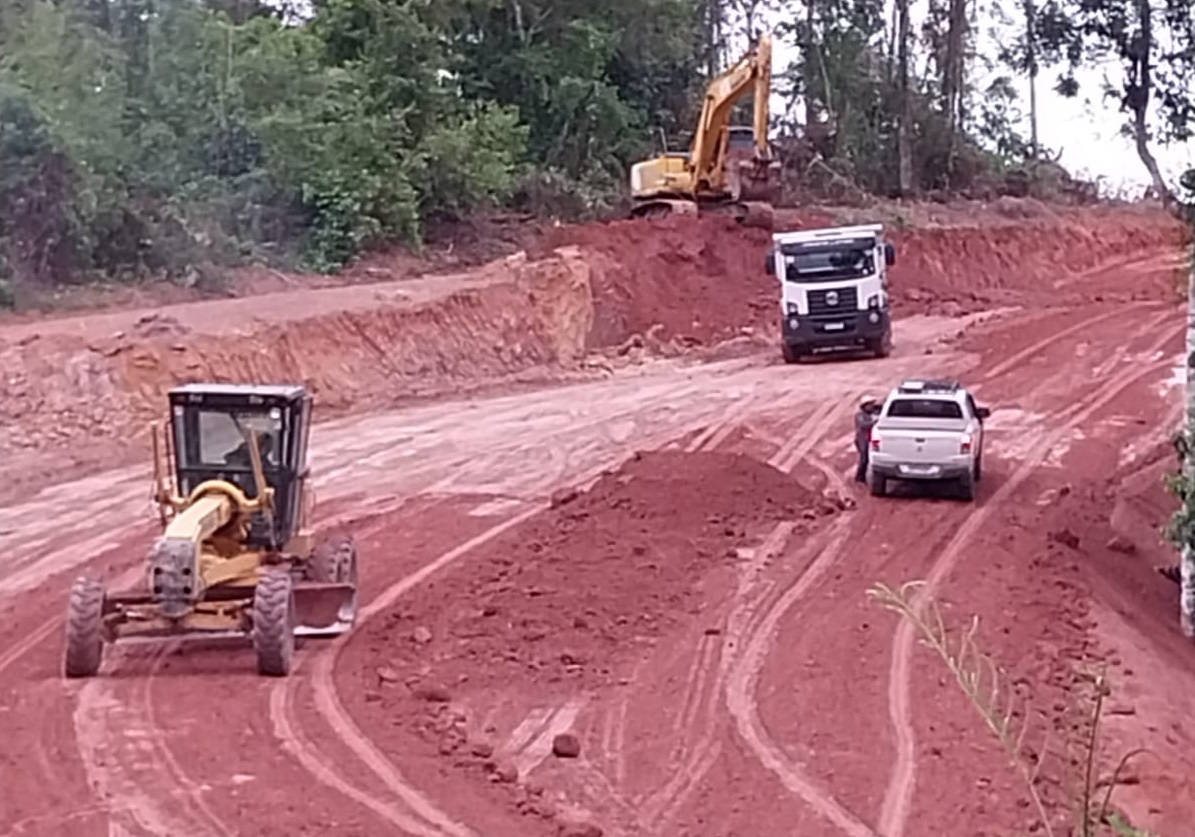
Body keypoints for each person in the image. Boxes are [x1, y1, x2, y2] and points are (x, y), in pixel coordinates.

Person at [854, 395, 880, 483]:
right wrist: (874, 421)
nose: (872, 407)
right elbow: (864, 424)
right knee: (864, 458)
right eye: (870, 405)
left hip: (866, 438)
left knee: (866, 458)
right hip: (862, 439)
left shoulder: (869, 413)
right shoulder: (859, 415)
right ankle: (859, 477)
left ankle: (861, 477)